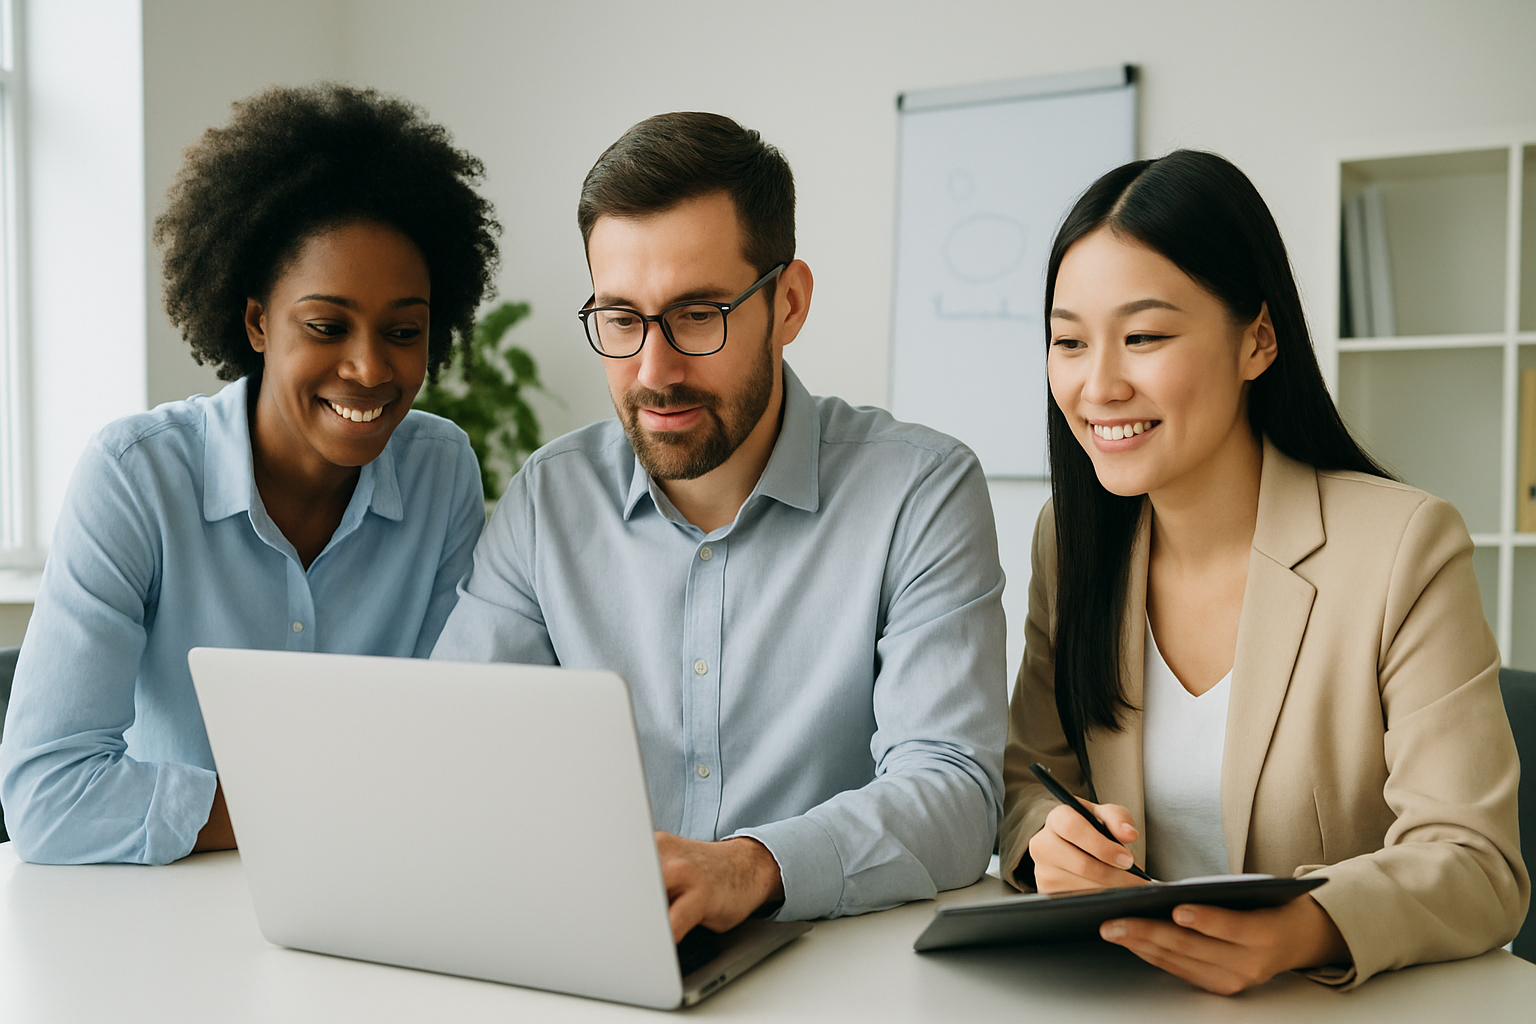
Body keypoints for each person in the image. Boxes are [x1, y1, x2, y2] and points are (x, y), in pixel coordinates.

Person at [433, 112, 1006, 941]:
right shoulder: (548, 499)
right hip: (603, 956)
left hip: (831, 970)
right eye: (620, 319)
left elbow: (955, 791)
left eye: (698, 314)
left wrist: (750, 867)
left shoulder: (920, 489)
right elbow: (457, 748)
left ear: (790, 303)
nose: (653, 371)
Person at [1000, 149, 1528, 993]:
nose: (1097, 385)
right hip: (1134, 998)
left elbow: (1477, 863)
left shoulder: (1405, 548)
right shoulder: (1070, 543)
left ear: (1258, 339)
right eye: (1068, 341)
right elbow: (1031, 777)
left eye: (1143, 337)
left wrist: (1306, 925)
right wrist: (1047, 843)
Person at [0, 84, 499, 865]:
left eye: (404, 331)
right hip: (161, 921)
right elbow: (48, 798)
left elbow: (452, 750)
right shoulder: (135, 479)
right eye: (327, 326)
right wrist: (319, 811)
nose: (371, 367)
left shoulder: (441, 471)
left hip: (370, 902)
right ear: (259, 321)